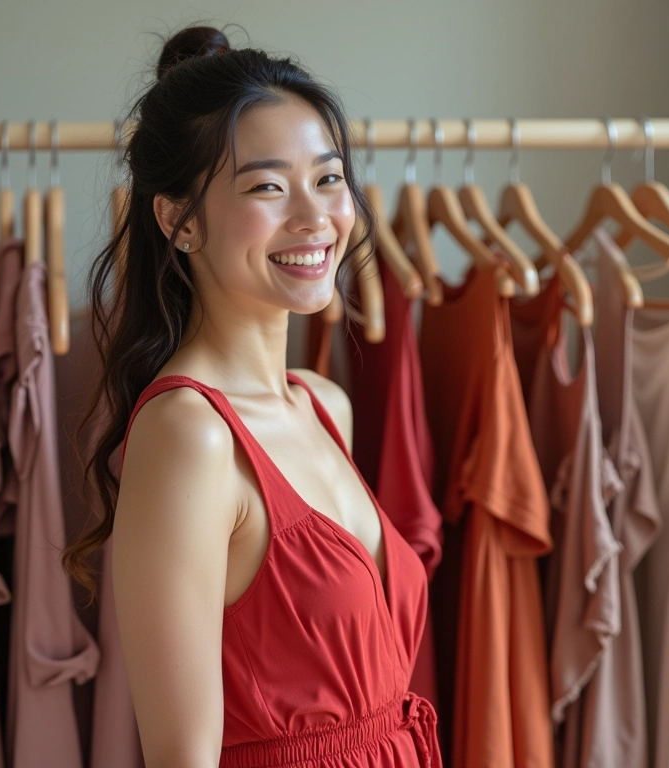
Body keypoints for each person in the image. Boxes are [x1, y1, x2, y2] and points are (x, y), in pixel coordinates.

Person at [63, 24, 442, 768]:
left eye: (328, 178)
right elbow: (182, 756)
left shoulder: (325, 405)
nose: (315, 218)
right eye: (268, 187)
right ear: (178, 220)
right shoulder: (190, 435)